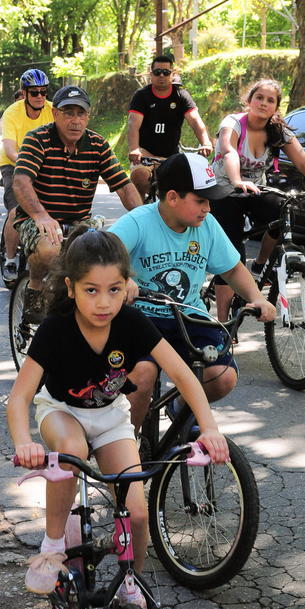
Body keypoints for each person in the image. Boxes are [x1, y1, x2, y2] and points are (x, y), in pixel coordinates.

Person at [7, 226, 229, 597]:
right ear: (71, 286)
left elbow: (183, 376)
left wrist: (210, 429)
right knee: (71, 451)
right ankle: (51, 546)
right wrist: (23, 442)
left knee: (138, 514)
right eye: (91, 290)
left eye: (113, 289)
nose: (103, 303)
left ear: (127, 285)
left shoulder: (131, 322)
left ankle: (132, 585)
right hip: (62, 410)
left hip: (111, 417)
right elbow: (19, 398)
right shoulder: (56, 328)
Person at [109, 152, 276, 432]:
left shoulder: (206, 225)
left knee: (222, 376)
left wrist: (256, 297)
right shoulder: (139, 221)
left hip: (187, 316)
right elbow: (101, 252)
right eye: (201, 201)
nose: (208, 208)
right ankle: (129, 444)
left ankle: (181, 409)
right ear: (172, 197)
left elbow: (233, 269)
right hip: (141, 319)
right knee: (143, 375)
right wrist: (120, 277)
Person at [211, 78, 305, 320]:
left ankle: (261, 263)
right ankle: (223, 323)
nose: (263, 103)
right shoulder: (233, 123)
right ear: (249, 101)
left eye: (270, 100)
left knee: (281, 211)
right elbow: (229, 152)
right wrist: (238, 180)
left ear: (276, 108)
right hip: (224, 187)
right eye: (259, 97)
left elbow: (302, 160)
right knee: (231, 251)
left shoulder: (277, 130)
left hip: (255, 188)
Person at [12, 84, 142, 319]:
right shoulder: (37, 139)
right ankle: (34, 284)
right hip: (38, 218)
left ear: (87, 117)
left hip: (79, 220)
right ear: (55, 114)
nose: (75, 120)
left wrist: (146, 217)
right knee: (50, 250)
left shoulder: (97, 145)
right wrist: (41, 215)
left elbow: (124, 186)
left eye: (80, 113)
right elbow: (21, 182)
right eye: (68, 113)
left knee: (109, 255)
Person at [127, 53, 213, 199]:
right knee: (139, 177)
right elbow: (133, 125)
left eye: (166, 72)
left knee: (184, 186)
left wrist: (205, 142)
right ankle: (139, 214)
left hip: (171, 157)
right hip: (144, 155)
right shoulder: (141, 96)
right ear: (151, 74)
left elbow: (195, 122)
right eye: (157, 72)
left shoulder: (181, 96)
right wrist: (134, 149)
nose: (161, 75)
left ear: (172, 75)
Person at [0, 69, 54, 282]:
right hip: (15, 164)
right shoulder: (12, 113)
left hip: (44, 165)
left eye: (43, 92)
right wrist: (26, 162)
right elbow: (11, 149)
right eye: (34, 93)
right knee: (16, 210)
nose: (40, 96)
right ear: (24, 94)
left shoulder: (53, 110)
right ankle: (10, 259)